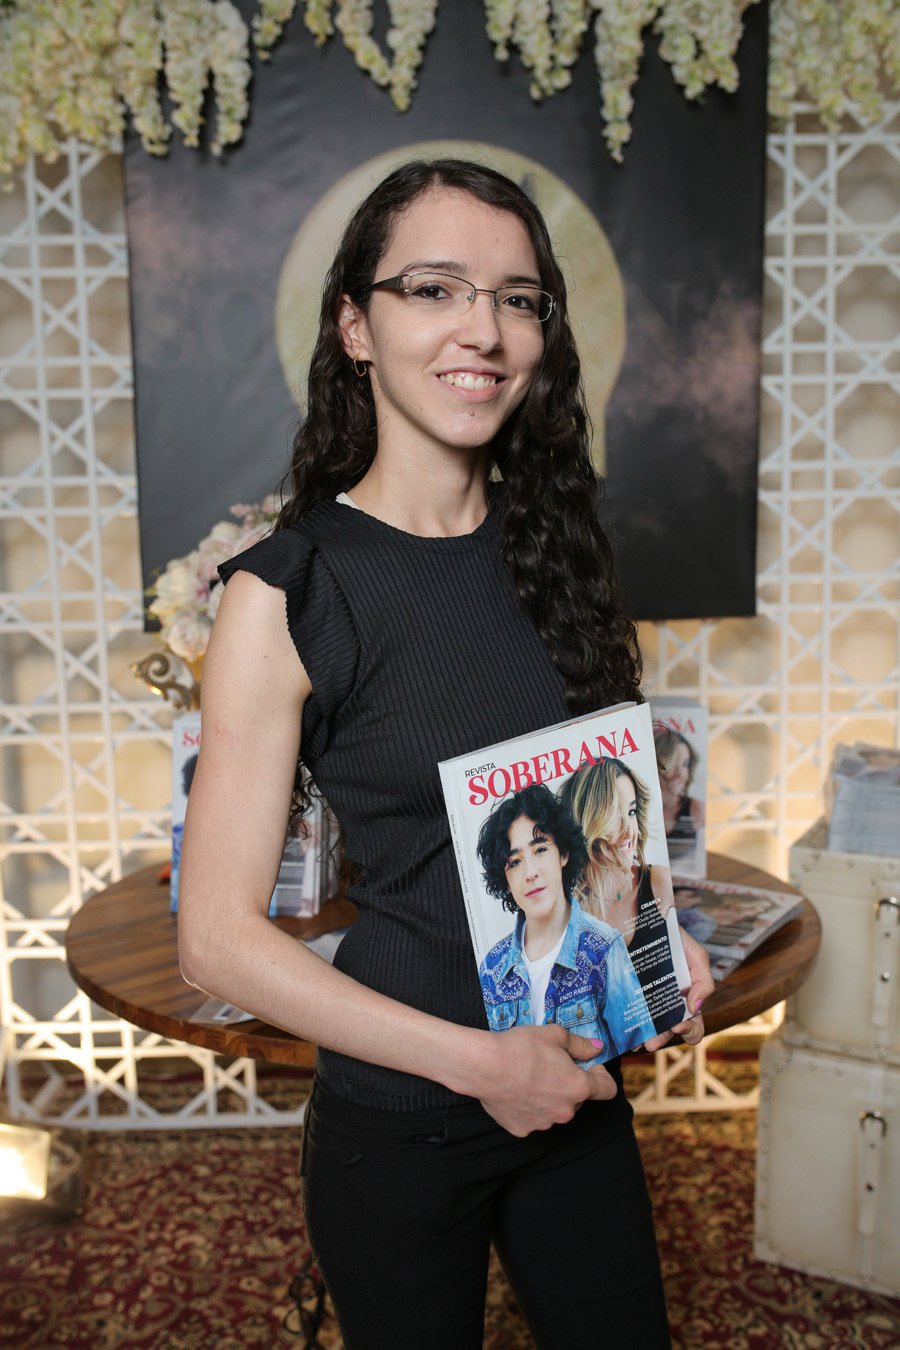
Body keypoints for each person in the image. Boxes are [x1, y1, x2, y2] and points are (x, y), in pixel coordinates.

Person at [178, 157, 713, 1349]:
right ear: (355, 327)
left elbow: (579, 815)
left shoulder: (560, 542)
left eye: (518, 299)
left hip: (574, 1076)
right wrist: (482, 1065)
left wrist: (650, 938)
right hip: (403, 1120)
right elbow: (213, 938)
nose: (484, 329)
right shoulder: (286, 592)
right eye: (435, 289)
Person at [477, 784, 657, 1058]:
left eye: (540, 850)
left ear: (563, 854)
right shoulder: (492, 968)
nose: (530, 873)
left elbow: (640, 1045)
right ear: (505, 878)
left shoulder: (603, 947)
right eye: (514, 862)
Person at [557, 758, 688, 1032]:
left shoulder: (659, 881)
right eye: (614, 816)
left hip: (673, 1041)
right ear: (588, 823)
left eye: (631, 812)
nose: (630, 831)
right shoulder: (564, 912)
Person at [653, 724, 705, 866]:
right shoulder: (635, 810)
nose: (680, 774)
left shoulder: (697, 809)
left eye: (685, 764)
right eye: (673, 764)